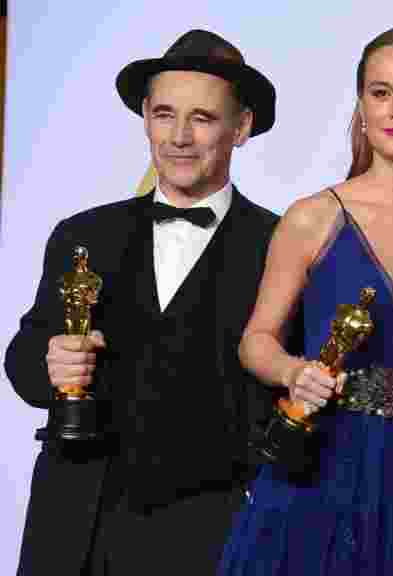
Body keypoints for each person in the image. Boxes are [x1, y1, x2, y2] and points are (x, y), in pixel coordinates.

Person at [218, 26, 393, 575]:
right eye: (380, 91)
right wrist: (294, 372)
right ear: (362, 106)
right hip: (321, 467)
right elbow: (256, 341)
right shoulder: (313, 217)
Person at [5, 29, 280, 575]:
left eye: (202, 118)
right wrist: (50, 363)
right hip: (77, 524)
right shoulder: (81, 235)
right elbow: (23, 364)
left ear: (241, 127)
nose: (179, 136)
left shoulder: (281, 246)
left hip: (212, 533)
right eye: (163, 114)